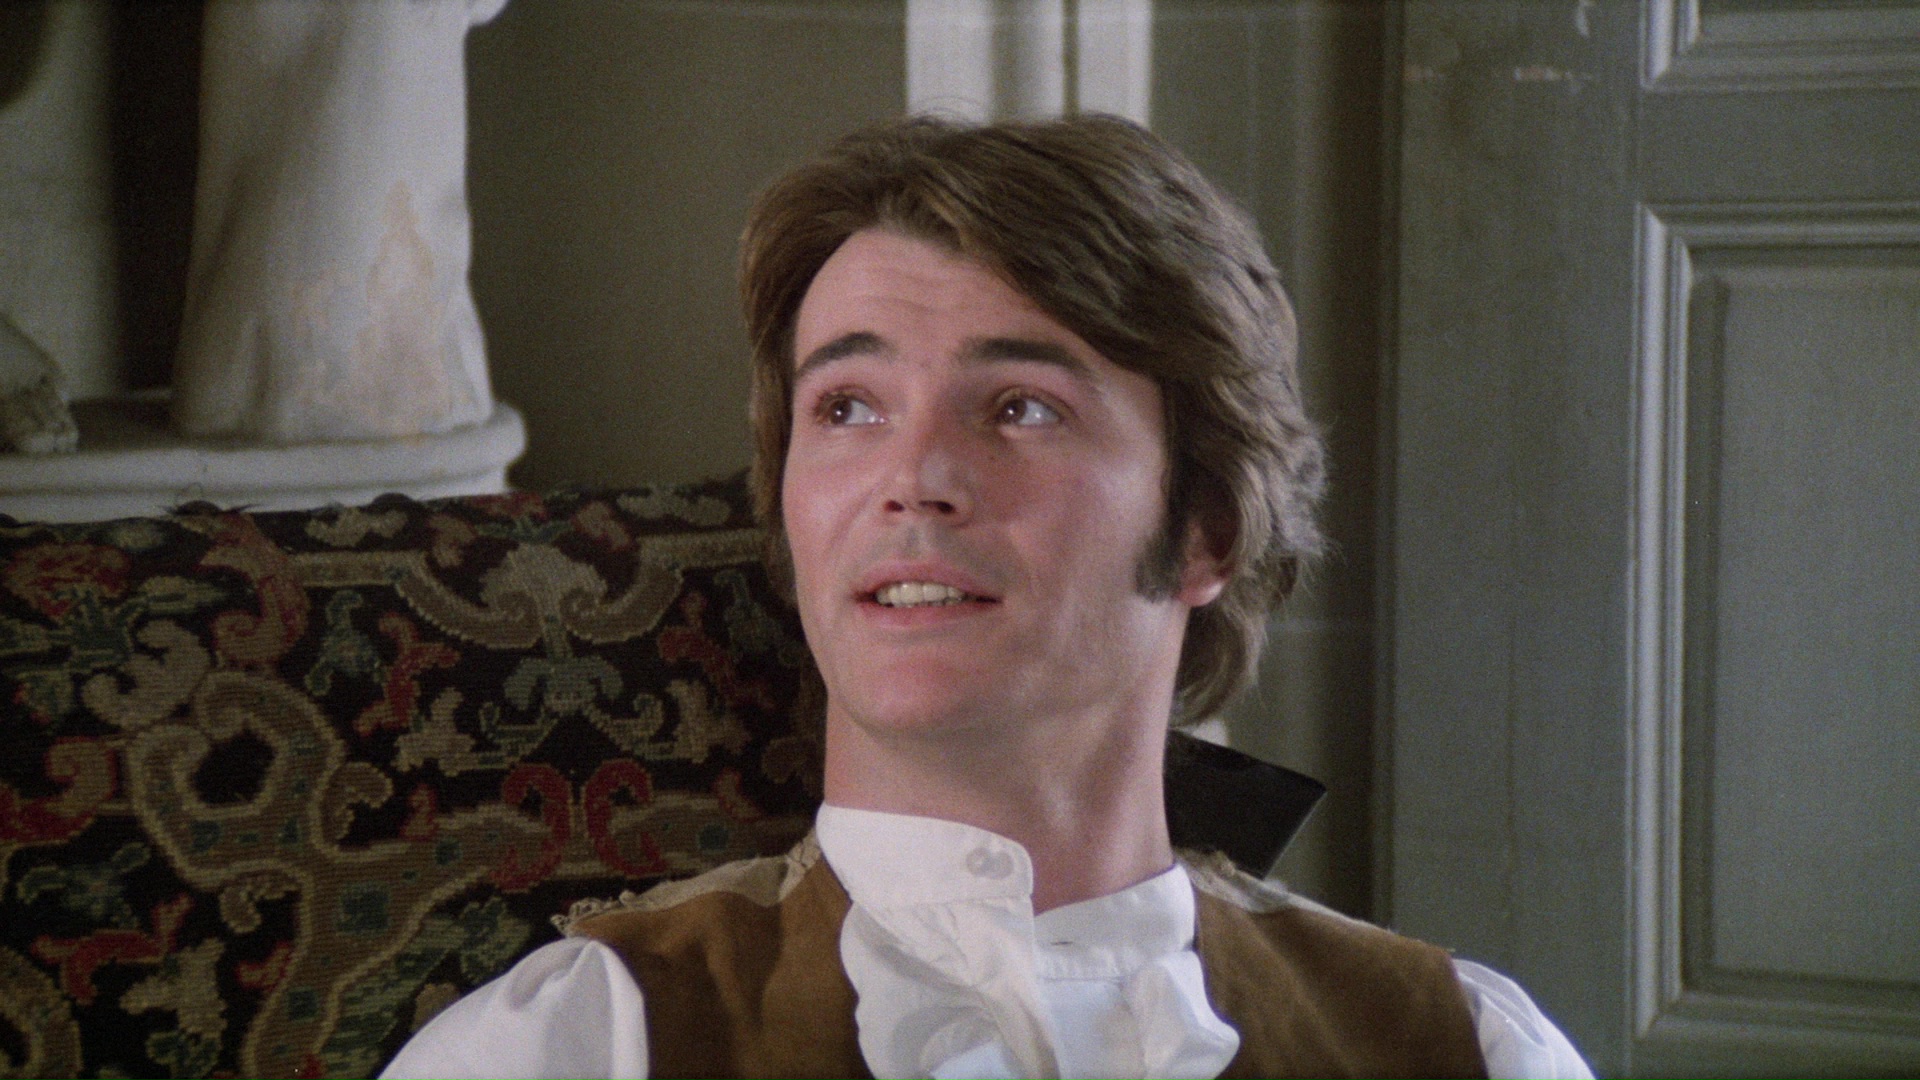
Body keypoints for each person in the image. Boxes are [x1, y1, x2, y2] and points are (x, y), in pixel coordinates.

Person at [381, 114, 1592, 1080]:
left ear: (1208, 526)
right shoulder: (579, 1046)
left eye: (1021, 408)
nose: (911, 478)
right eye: (848, 408)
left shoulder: (1463, 1048)